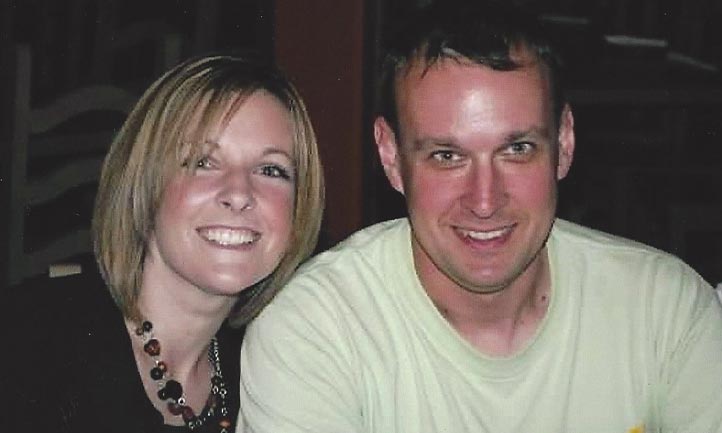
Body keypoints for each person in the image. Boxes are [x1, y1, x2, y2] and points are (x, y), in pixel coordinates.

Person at [236, 1, 722, 432]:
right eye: (447, 156)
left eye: (517, 149)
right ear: (391, 157)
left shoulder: (665, 312)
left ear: (564, 142)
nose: (485, 201)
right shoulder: (315, 332)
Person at [2, 54, 324, 433]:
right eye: (203, 161)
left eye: (271, 170)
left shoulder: (280, 377)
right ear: (145, 183)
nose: (239, 194)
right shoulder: (27, 342)